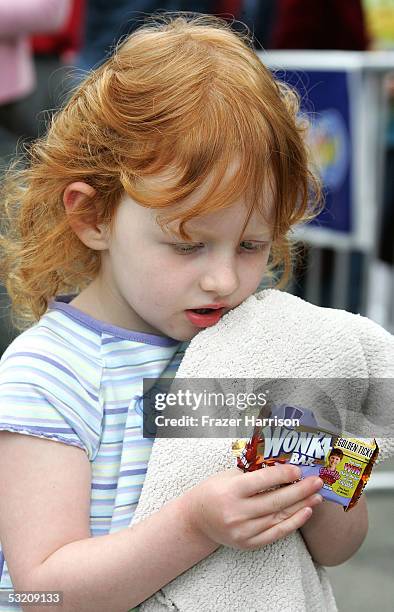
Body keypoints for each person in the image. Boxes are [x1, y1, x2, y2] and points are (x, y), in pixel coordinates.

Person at [0, 14, 370, 612]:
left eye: (252, 245)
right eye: (187, 243)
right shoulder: (46, 374)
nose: (224, 279)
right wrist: (194, 527)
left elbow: (343, 545)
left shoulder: (269, 347)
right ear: (93, 217)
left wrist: (315, 478)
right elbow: (42, 589)